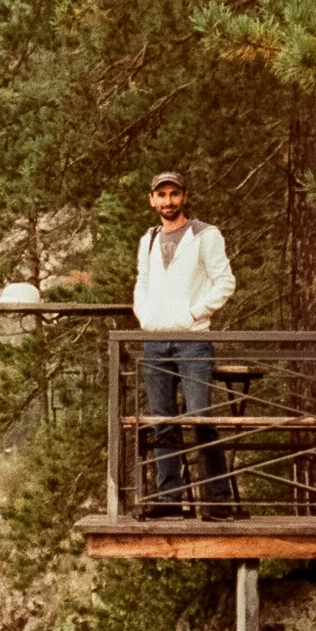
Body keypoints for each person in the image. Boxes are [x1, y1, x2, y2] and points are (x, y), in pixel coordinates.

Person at [132, 171, 238, 514]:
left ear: (184, 197)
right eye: (161, 194)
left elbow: (225, 282)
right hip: (155, 340)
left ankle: (217, 500)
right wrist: (145, 317)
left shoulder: (205, 235)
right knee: (163, 421)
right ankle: (168, 499)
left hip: (193, 341)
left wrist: (194, 314)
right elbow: (142, 282)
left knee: (200, 418)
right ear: (152, 200)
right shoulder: (147, 239)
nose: (168, 200)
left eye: (173, 194)